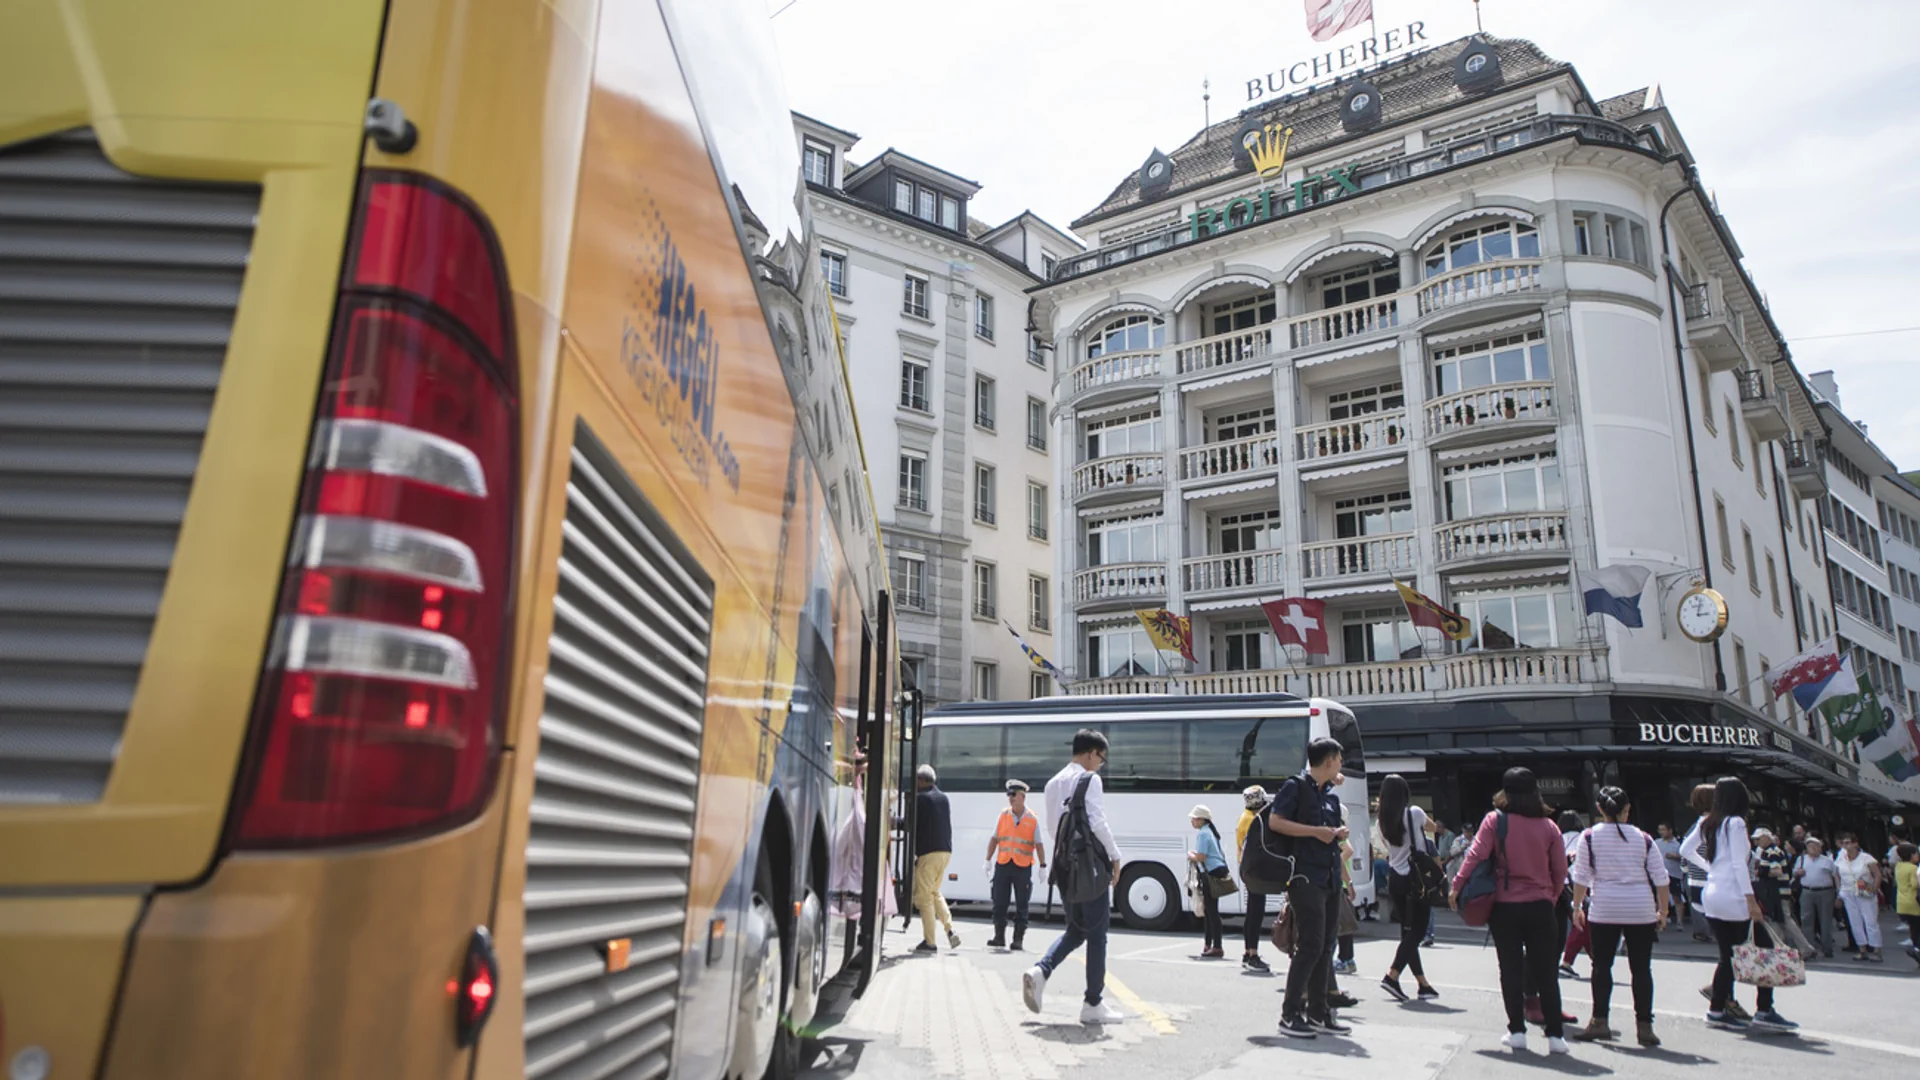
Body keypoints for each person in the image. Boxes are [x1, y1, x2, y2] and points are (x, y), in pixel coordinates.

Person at [1450, 767, 1571, 1055]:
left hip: (1504, 906)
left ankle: (1516, 1031)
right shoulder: (1549, 826)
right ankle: (1555, 1036)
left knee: (1510, 969)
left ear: (1505, 792)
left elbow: (1475, 855)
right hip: (1541, 905)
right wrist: (1550, 897)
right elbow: (1560, 870)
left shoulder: (1495, 821)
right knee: (1546, 972)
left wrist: (1456, 886)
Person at [1023, 729, 1125, 1024]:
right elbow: (1097, 822)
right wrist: (1115, 856)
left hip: (1064, 868)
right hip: (1089, 869)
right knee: (1097, 936)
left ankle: (1040, 970)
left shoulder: (1053, 783)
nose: (1099, 765)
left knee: (1076, 930)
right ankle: (1093, 1003)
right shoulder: (1090, 779)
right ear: (1091, 753)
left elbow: (1054, 830)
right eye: (1100, 759)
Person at [1683, 776, 1798, 1033]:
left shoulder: (1708, 822)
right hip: (1733, 894)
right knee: (1761, 948)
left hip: (1712, 893)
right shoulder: (1734, 823)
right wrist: (1750, 900)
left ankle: (1717, 1009)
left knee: (1729, 955)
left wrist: (1711, 868)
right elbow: (1738, 864)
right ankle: (1764, 1009)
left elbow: (1685, 850)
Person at [1567, 787, 1669, 1047]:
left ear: (1600, 810)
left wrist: (1577, 906)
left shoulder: (1589, 836)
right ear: (1627, 810)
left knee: (1601, 967)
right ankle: (1644, 1026)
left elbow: (1580, 877)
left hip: (1605, 907)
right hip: (1640, 908)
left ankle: (1600, 1021)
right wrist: (1663, 910)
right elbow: (1661, 878)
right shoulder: (1643, 838)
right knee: (1641, 969)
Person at [1270, 736, 1352, 1039]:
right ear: (1329, 761)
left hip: (1330, 876)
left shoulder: (1328, 794)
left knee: (1326, 945)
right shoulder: (1296, 786)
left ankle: (1319, 1012)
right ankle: (1290, 1014)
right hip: (1305, 877)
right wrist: (1317, 832)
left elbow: (1326, 832)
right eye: (1340, 760)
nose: (1342, 766)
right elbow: (1276, 822)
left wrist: (1334, 834)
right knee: (1310, 945)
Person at [1376, 774, 1440, 1003]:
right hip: (1416, 878)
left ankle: (1423, 984)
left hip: (1396, 879)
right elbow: (1433, 827)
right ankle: (1392, 975)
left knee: (1407, 931)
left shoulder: (1382, 822)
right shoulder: (1414, 813)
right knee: (1418, 931)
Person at [985, 778, 1045, 951]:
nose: (1010, 798)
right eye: (1009, 795)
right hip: (1003, 864)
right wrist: (987, 860)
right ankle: (999, 937)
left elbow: (1039, 844)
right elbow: (994, 838)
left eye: (1014, 795)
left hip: (1022, 866)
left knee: (1022, 905)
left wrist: (1043, 866)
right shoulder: (1003, 815)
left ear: (1022, 797)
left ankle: (1018, 939)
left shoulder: (1032, 818)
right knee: (999, 903)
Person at [912, 764, 959, 953]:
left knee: (924, 899)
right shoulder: (943, 798)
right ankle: (950, 930)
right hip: (945, 853)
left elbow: (911, 824)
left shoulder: (921, 799)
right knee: (934, 892)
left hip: (929, 854)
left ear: (921, 781)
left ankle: (929, 942)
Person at [1236, 785, 1273, 972]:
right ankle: (1252, 954)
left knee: (1253, 911)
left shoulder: (1246, 817)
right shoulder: (1252, 821)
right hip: (1253, 870)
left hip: (1248, 869)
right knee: (1255, 913)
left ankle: (1248, 952)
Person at [1835, 833, 1883, 962]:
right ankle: (1862, 949)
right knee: (1854, 921)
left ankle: (1876, 949)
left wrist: (1874, 888)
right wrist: (1840, 892)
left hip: (1865, 890)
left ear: (1856, 843)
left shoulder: (1866, 858)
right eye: (1844, 843)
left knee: (1870, 920)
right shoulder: (1841, 858)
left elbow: (1877, 874)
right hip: (1848, 891)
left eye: (1848, 842)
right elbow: (1837, 875)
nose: (1846, 846)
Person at [1188, 804, 1229, 959]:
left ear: (1200, 820)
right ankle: (1209, 944)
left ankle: (1216, 946)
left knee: (1211, 911)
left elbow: (1201, 857)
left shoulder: (1203, 834)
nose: (1192, 821)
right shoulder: (1210, 831)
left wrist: (1190, 855)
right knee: (1210, 910)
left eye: (1193, 818)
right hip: (1218, 870)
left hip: (1211, 872)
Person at [1792, 837, 1839, 958]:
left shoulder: (1827, 861)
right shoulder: (1801, 859)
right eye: (1810, 846)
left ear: (1820, 847)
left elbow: (1836, 877)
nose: (1812, 848)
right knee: (1806, 920)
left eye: (1815, 846)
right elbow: (1794, 873)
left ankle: (1827, 948)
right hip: (1807, 891)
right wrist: (1798, 873)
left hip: (1825, 892)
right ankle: (1809, 948)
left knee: (1825, 920)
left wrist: (1838, 894)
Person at [1681, 786, 1715, 943]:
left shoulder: (1695, 827)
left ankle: (1703, 932)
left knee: (1698, 908)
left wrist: (1686, 869)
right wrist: (1711, 868)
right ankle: (1706, 932)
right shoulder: (1713, 825)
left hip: (1694, 875)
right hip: (1711, 877)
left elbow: (1685, 851)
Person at [1750, 828, 1790, 923]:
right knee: (1778, 920)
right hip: (1773, 892)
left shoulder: (1772, 852)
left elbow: (1777, 871)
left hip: (1779, 892)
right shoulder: (1767, 852)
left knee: (1786, 921)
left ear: (1766, 838)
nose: (1756, 842)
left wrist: (1761, 873)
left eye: (1758, 839)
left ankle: (1799, 939)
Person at [1654, 823, 1686, 924]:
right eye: (1660, 830)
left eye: (1663, 830)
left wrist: (1676, 856)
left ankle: (1680, 921)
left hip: (1674, 874)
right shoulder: (1656, 842)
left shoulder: (1678, 843)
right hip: (1659, 874)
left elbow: (1684, 857)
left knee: (1677, 897)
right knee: (1659, 897)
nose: (1661, 832)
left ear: (1670, 830)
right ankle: (1658, 919)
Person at [1894, 842, 1919, 967]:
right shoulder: (1913, 868)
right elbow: (1915, 884)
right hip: (1913, 901)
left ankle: (1916, 948)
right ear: (1911, 855)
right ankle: (1917, 950)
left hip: (1902, 902)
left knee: (1913, 928)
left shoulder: (1899, 866)